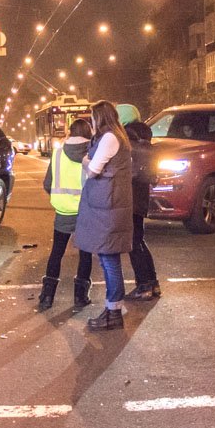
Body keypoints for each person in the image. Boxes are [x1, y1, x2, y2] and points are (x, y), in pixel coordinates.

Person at [73, 100, 134, 331]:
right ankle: (112, 310)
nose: (91, 121)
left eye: (93, 117)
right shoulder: (118, 136)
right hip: (111, 205)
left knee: (109, 260)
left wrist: (85, 160)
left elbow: (94, 169)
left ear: (101, 117)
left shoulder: (109, 138)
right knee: (110, 259)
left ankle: (113, 312)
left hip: (108, 208)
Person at [37, 118, 94, 312]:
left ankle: (47, 296)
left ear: (70, 132)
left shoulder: (58, 153)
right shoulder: (92, 154)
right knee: (85, 254)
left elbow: (47, 183)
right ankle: (80, 296)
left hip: (62, 211)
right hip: (86, 211)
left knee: (57, 252)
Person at [125, 118, 161, 300]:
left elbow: (127, 175)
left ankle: (144, 286)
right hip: (141, 202)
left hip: (130, 201)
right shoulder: (147, 148)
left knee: (133, 244)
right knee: (139, 241)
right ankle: (152, 283)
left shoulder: (131, 147)